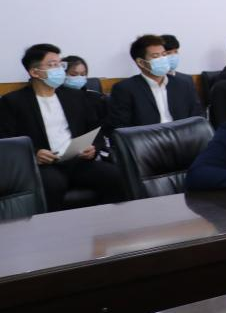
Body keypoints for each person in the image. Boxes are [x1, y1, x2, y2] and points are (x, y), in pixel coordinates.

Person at [0, 44, 124, 211]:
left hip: (77, 160)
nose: (59, 69)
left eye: (60, 64)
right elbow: (6, 139)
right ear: (35, 72)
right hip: (44, 165)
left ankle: (110, 223)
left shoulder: (75, 96)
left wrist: (93, 148)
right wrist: (34, 153)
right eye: (52, 65)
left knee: (115, 176)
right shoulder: (13, 102)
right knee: (53, 185)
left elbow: (95, 129)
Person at [108, 34, 204, 130]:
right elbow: (121, 127)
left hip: (183, 136)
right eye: (155, 56)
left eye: (164, 55)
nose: (162, 59)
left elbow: (198, 118)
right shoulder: (125, 89)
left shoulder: (183, 84)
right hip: (147, 138)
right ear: (141, 62)